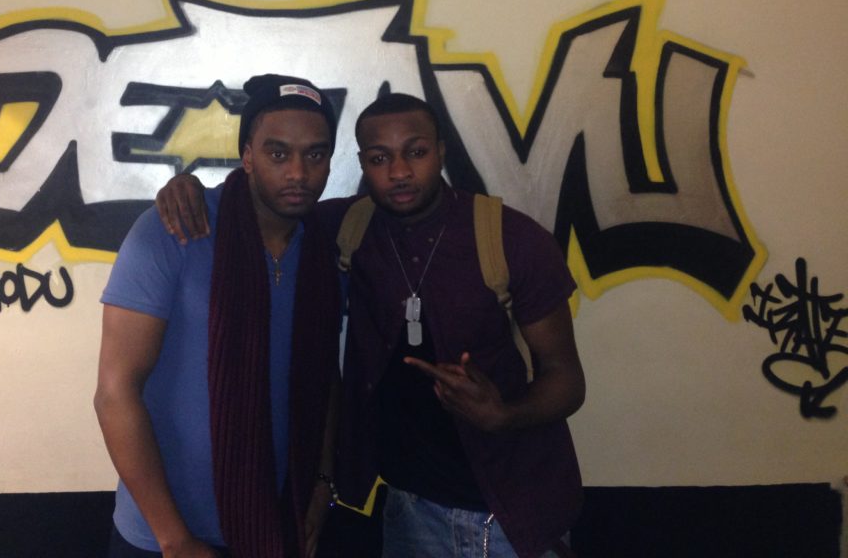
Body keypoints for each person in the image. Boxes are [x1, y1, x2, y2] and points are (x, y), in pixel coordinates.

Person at [158, 92, 585, 558]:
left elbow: (567, 379)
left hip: (513, 513)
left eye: (416, 152)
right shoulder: (346, 226)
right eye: (380, 158)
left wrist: (504, 414)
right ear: (362, 163)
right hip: (405, 510)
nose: (399, 172)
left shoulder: (512, 238)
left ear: (441, 151)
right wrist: (189, 187)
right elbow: (262, 203)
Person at [95, 74, 344, 558]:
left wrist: (321, 483)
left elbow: (324, 379)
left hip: (280, 524)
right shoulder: (175, 230)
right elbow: (114, 392)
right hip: (163, 538)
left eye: (315, 154)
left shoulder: (326, 248)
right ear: (247, 155)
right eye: (278, 153)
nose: (298, 172)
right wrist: (174, 539)